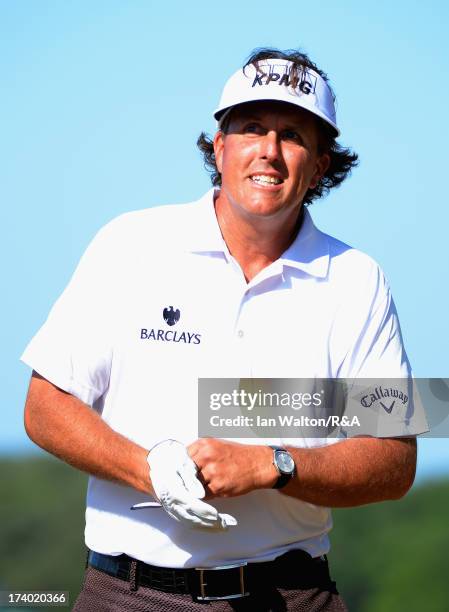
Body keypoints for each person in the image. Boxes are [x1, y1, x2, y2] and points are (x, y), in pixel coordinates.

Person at [22, 47, 428, 611]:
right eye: (252, 127)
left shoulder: (359, 280)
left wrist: (275, 465)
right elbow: (44, 407)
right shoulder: (131, 243)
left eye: (293, 135)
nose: (269, 150)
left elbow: (394, 460)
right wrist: (150, 470)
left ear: (322, 163)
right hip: (129, 594)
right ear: (219, 145)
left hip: (293, 594)